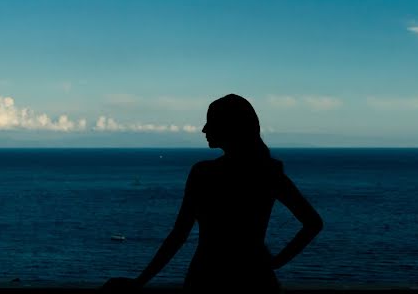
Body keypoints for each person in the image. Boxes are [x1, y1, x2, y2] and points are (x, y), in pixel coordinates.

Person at [103, 93, 323, 293]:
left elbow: (179, 235)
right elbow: (313, 223)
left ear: (231, 126)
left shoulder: (203, 173)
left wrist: (139, 282)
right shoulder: (268, 171)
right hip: (255, 281)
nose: (204, 129)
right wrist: (275, 262)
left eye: (211, 122)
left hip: (206, 280)